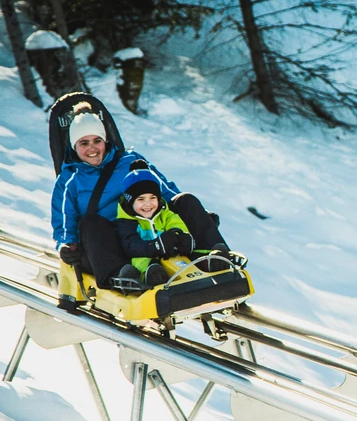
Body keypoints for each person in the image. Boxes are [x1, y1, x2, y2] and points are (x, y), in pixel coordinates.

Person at [50, 100, 232, 290]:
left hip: (150, 227)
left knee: (186, 200)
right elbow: (64, 220)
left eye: (97, 141)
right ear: (74, 146)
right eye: (84, 143)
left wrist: (199, 215)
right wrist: (65, 245)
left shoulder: (131, 161)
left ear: (105, 141)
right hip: (108, 243)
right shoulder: (69, 179)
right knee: (90, 222)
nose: (92, 148)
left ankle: (212, 258)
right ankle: (124, 275)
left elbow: (163, 190)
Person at [115, 168, 199, 287]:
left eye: (153, 198)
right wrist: (156, 245)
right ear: (130, 202)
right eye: (141, 199)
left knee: (189, 254)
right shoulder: (126, 222)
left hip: (172, 257)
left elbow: (176, 224)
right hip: (146, 258)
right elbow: (130, 245)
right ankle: (152, 277)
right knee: (143, 261)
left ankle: (208, 263)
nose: (148, 204)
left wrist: (183, 237)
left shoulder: (165, 214)